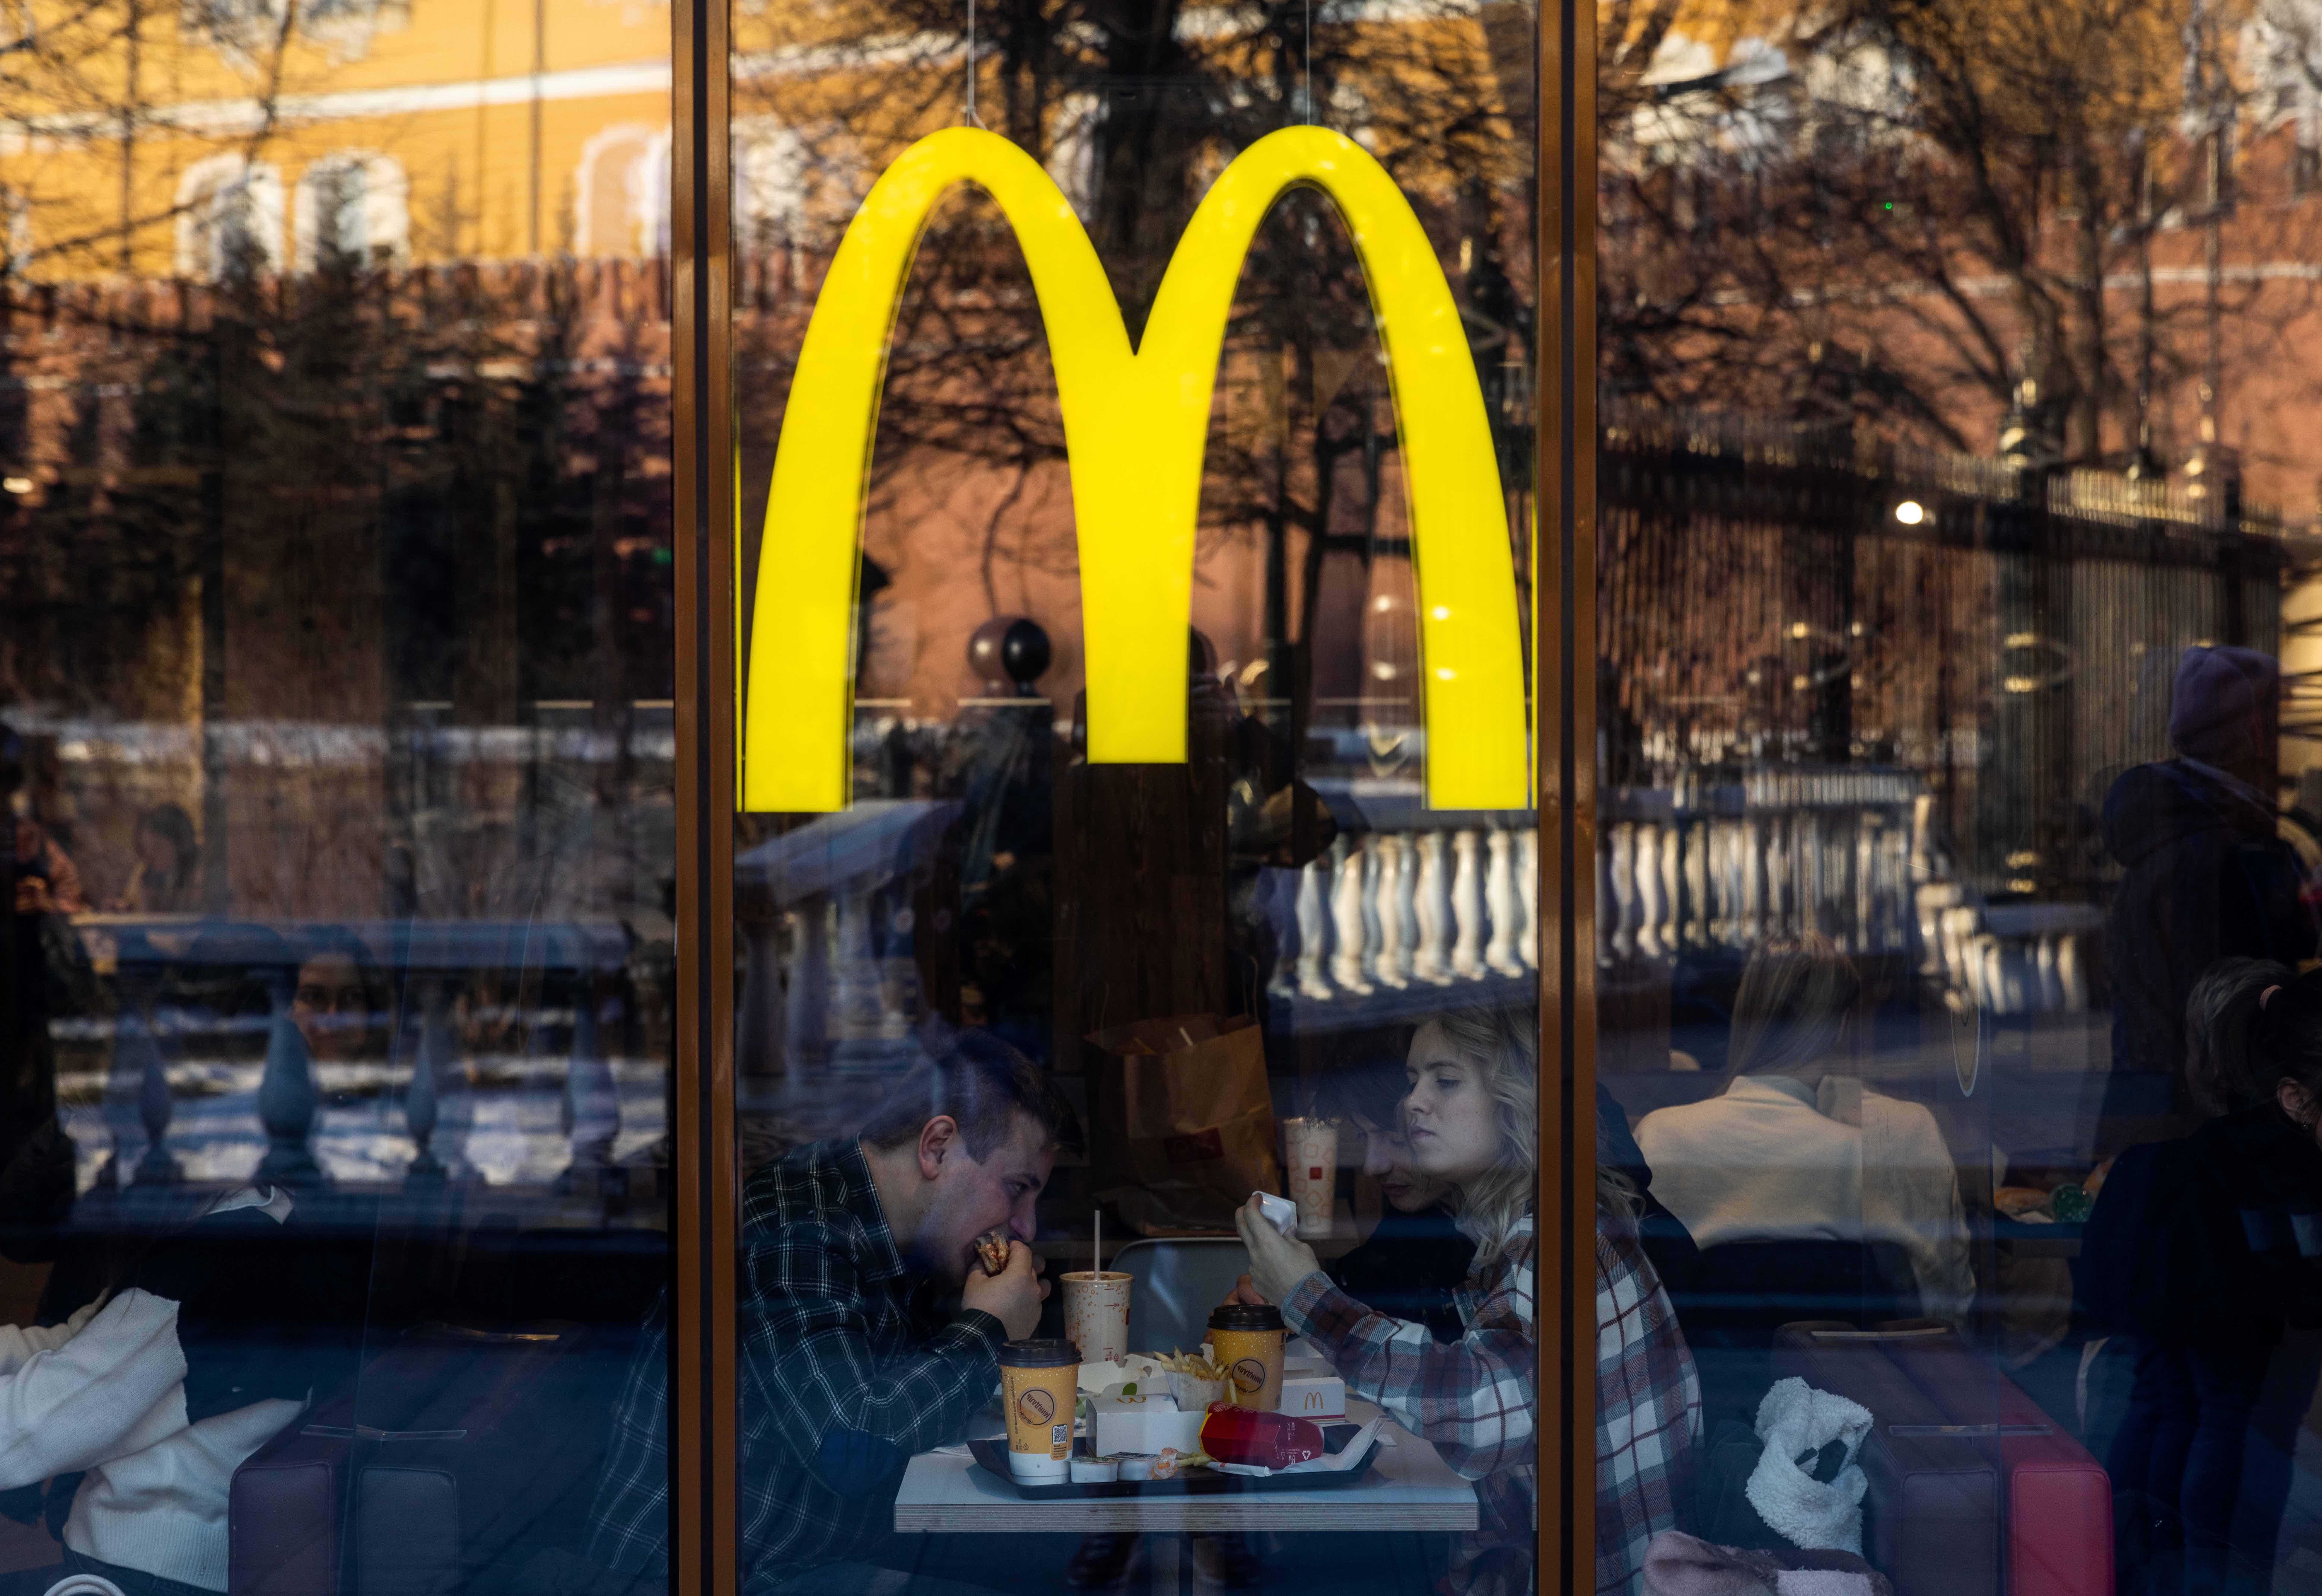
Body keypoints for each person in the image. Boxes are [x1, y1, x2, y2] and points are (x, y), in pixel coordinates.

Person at [1231, 1007, 1700, 1596]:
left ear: (1517, 1103)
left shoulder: (1564, 1240)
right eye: (1413, 1081)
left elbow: (1482, 1409)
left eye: (1445, 1081)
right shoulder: (1523, 1235)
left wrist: (1306, 1295)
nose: (1413, 1102)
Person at [587, 1029, 1074, 1595]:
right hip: (713, 1578)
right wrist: (987, 1329)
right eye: (1016, 1188)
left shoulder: (910, 1235)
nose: (1026, 1227)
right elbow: (852, 1449)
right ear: (937, 1147)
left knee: (1049, 1568)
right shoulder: (797, 1230)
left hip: (819, 1557)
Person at [0, 1178, 370, 1595]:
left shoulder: (212, 1255)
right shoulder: (263, 1219)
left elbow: (35, 1427)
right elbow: (80, 1339)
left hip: (145, 1573)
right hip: (181, 1562)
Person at [2086, 964, 2322, 1596]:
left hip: (2207, 1322)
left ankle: (2158, 1569)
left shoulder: (2187, 1162)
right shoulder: (2263, 1170)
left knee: (2179, 1405)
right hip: (2235, 1321)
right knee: (2225, 1420)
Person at [1634, 933, 1974, 1330]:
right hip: (1849, 1370)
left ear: (1744, 1018)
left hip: (1698, 1368)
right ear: (1841, 1026)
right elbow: (1942, 1311)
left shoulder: (1658, 1138)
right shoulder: (1869, 1160)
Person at [2099, 646, 2317, 1151]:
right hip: (2199, 1124)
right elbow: (2230, 1004)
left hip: (2159, 1108)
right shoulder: (2216, 847)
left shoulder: (2186, 830)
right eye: (2277, 715)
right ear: (2250, 731)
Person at [1317, 1055, 1474, 1343]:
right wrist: (1283, 1292)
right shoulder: (1421, 1218)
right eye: (1364, 1138)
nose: (1371, 1167)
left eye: (1397, 1141)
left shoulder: (1516, 1236)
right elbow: (1363, 1284)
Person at [109, 804, 198, 914]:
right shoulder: (143, 872)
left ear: (180, 845)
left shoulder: (196, 878)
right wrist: (123, 909)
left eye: (158, 847)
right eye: (146, 850)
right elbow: (131, 905)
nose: (152, 858)